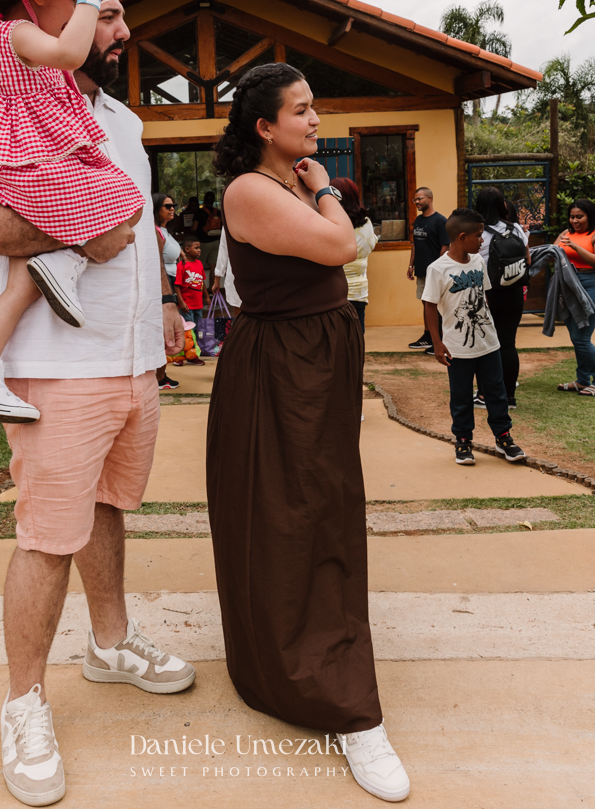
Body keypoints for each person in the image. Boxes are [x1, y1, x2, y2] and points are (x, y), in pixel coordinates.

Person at [0, 0, 192, 809]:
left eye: (115, 10)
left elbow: (137, 231)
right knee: (47, 535)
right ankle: (24, 702)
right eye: (101, 7)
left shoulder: (119, 121)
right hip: (55, 364)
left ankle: (110, 644)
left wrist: (160, 303)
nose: (115, 23)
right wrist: (75, 234)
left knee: (109, 509)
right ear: (38, 8)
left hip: (131, 360)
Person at [207, 62, 410, 803]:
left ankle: (309, 648)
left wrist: (317, 186)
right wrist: (325, 186)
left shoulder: (284, 181)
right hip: (282, 370)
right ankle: (339, 699)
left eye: (315, 106)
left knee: (318, 506)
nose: (315, 119)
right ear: (265, 127)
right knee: (291, 511)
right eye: (302, 110)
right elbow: (341, 248)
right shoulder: (252, 189)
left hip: (315, 361)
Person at [0, 0, 145, 425]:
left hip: (23, 170)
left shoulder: (8, 50)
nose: (84, 12)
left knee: (21, 284)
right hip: (35, 167)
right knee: (127, 198)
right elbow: (73, 54)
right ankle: (69, 259)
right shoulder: (17, 33)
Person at [422, 207, 526, 468]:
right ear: (462, 237)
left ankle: (503, 438)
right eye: (479, 235)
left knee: (496, 393)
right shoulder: (438, 269)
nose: (483, 240)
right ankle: (463, 441)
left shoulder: (479, 261)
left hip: (488, 343)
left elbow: (484, 296)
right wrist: (437, 343)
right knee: (461, 396)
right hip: (458, 348)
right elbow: (429, 306)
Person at [474, 186, 530, 411]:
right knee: (508, 344)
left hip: (489, 294)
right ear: (502, 205)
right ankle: (509, 397)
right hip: (514, 292)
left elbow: (473, 266)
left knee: (486, 345)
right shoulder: (515, 228)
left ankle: (486, 395)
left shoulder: (478, 233)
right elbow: (527, 258)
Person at [555, 198, 595, 397]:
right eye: (572, 217)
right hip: (570, 286)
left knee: (582, 338)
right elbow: (554, 252)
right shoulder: (566, 233)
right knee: (576, 337)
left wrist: (575, 247)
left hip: (592, 285)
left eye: (579, 217)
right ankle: (582, 381)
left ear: (590, 216)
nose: (574, 221)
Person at [406, 186, 449, 352]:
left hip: (435, 273)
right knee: (425, 304)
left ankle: (439, 339)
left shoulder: (440, 221)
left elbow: (445, 247)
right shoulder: (418, 220)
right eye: (415, 199)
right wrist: (411, 265)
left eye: (419, 199)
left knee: (436, 305)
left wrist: (436, 269)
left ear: (429, 199)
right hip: (422, 271)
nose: (417, 202)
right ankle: (428, 336)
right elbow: (415, 245)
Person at [337, 177, 378, 337]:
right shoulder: (366, 222)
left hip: (336, 291)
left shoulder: (332, 222)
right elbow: (371, 244)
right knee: (356, 339)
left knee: (337, 341)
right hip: (359, 291)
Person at [153, 193, 181, 391]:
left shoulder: (165, 230)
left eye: (173, 205)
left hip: (171, 281)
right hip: (163, 284)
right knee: (164, 329)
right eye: (167, 206)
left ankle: (161, 374)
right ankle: (159, 376)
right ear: (156, 209)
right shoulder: (155, 231)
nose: (172, 209)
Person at [174, 235, 210, 335]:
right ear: (187, 249)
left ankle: (198, 347)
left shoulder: (199, 263)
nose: (199, 250)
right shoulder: (181, 265)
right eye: (196, 248)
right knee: (190, 329)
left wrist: (207, 297)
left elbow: (202, 282)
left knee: (199, 328)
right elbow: (177, 285)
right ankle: (192, 348)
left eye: (199, 248)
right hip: (187, 304)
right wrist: (181, 303)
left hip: (198, 303)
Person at [213, 227, 240, 316]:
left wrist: (217, 280)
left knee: (239, 315)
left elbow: (223, 249)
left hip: (236, 274)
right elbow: (223, 249)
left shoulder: (230, 219)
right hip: (236, 275)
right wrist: (217, 279)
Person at [196, 190, 222, 285]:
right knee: (213, 268)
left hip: (203, 242)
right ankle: (212, 289)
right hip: (216, 242)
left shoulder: (199, 212)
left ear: (204, 199)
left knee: (199, 267)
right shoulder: (218, 212)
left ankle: (201, 289)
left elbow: (194, 227)